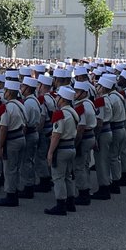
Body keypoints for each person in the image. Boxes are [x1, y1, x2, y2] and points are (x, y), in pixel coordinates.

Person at [45, 86, 80, 216]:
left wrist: (50, 152)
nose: (56, 99)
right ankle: (71, 202)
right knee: (68, 176)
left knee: (58, 177)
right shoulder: (73, 112)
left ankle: (61, 204)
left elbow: (56, 135)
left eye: (58, 97)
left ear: (63, 99)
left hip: (62, 148)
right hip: (71, 146)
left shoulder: (61, 114)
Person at [0, 78, 26, 208]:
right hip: (20, 137)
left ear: (9, 92)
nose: (4, 93)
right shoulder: (20, 104)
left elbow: (4, 128)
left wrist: (0, 146)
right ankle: (16, 190)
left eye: (6, 91)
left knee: (9, 169)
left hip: (12, 139)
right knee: (16, 168)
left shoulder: (8, 107)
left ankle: (10, 195)